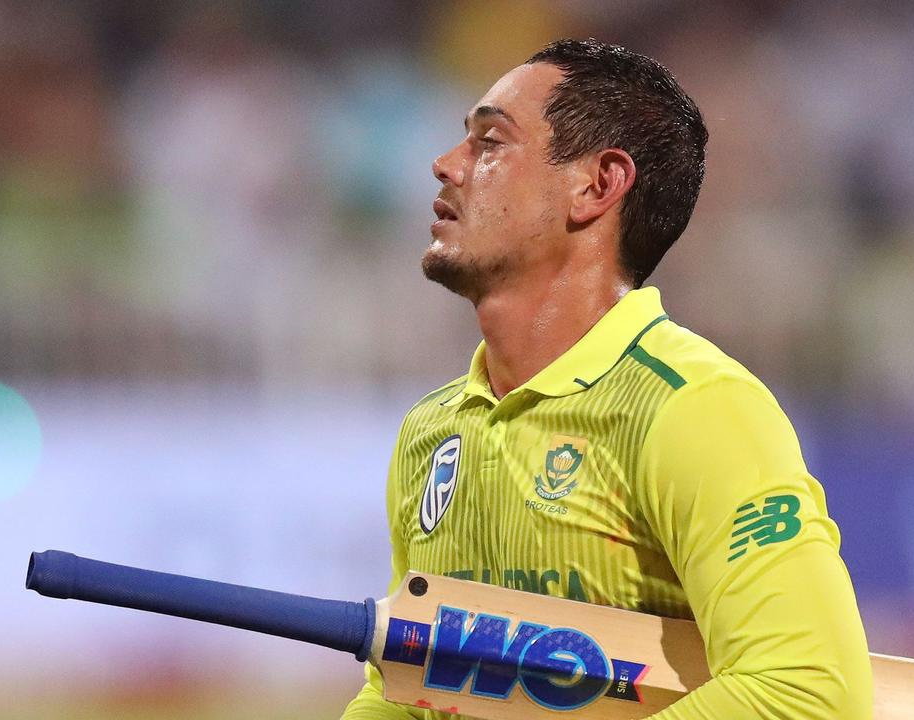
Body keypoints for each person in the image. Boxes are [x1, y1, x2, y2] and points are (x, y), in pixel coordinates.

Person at [342, 38, 872, 719]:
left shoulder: (694, 409)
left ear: (597, 184)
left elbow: (808, 688)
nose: (445, 165)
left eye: (490, 142)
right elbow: (408, 690)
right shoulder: (433, 432)